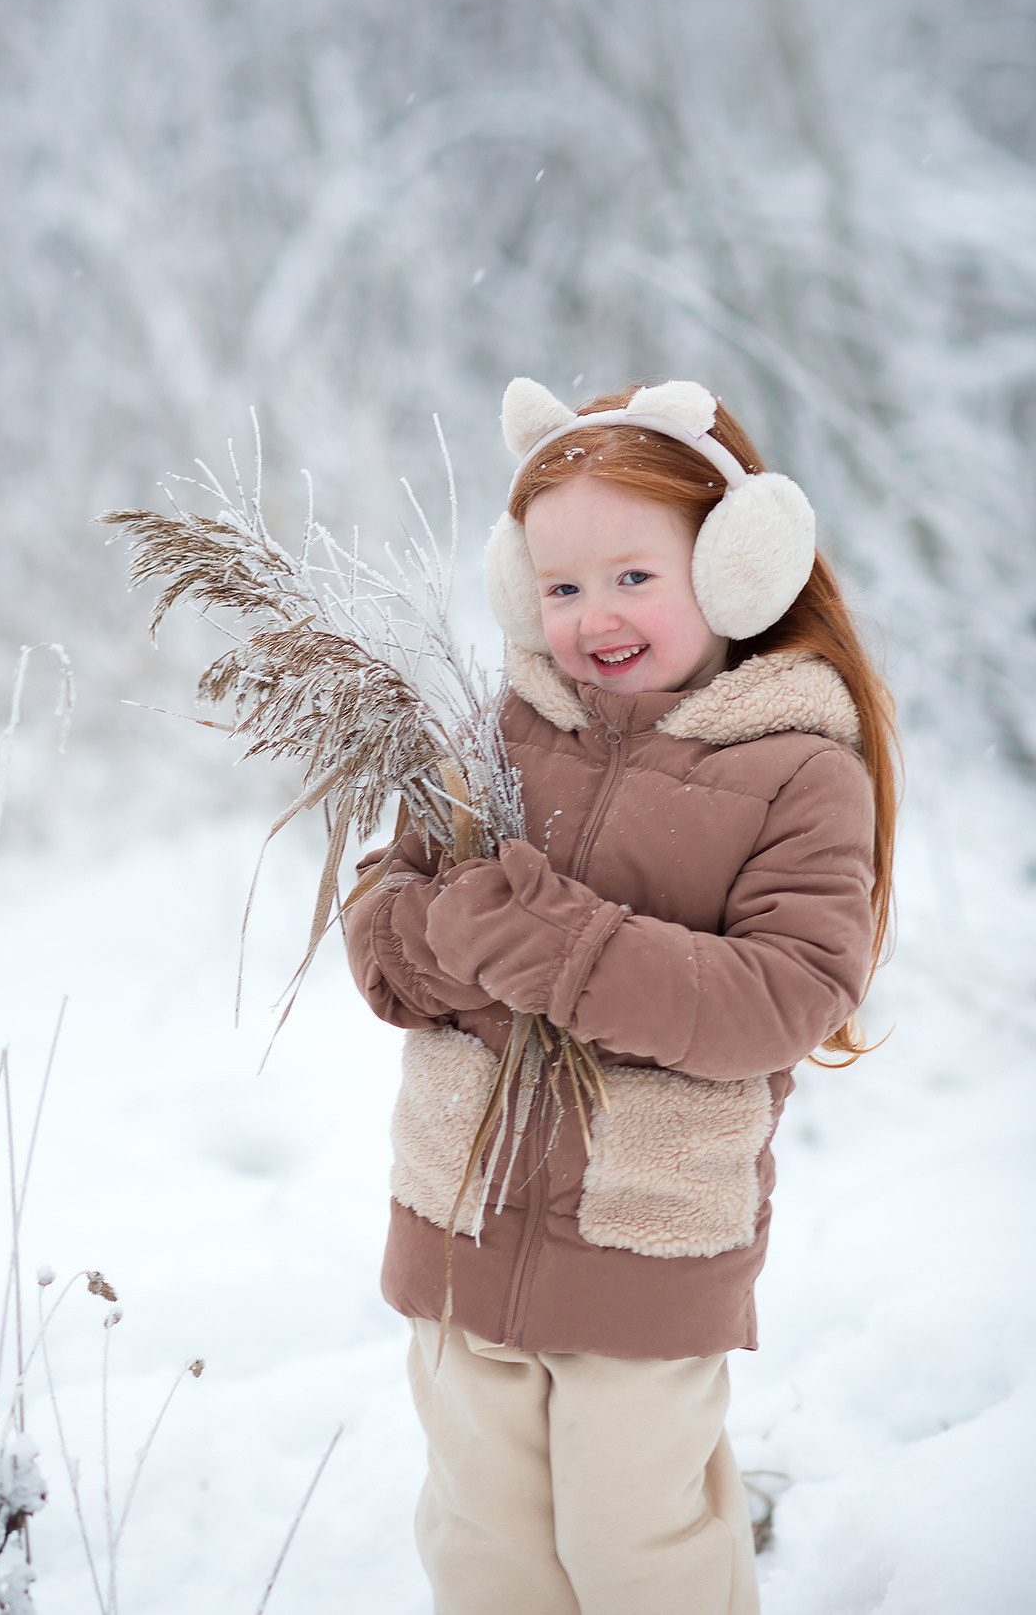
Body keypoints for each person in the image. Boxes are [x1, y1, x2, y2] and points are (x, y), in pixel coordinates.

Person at [342, 377, 897, 1615]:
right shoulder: (493, 734)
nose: (593, 614)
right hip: (459, 1212)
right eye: (560, 585)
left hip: (648, 1235)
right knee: (485, 1545)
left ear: (739, 563)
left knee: (635, 1545)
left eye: (632, 576)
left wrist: (550, 947)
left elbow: (783, 993)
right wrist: (449, 936)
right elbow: (387, 925)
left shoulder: (800, 767)